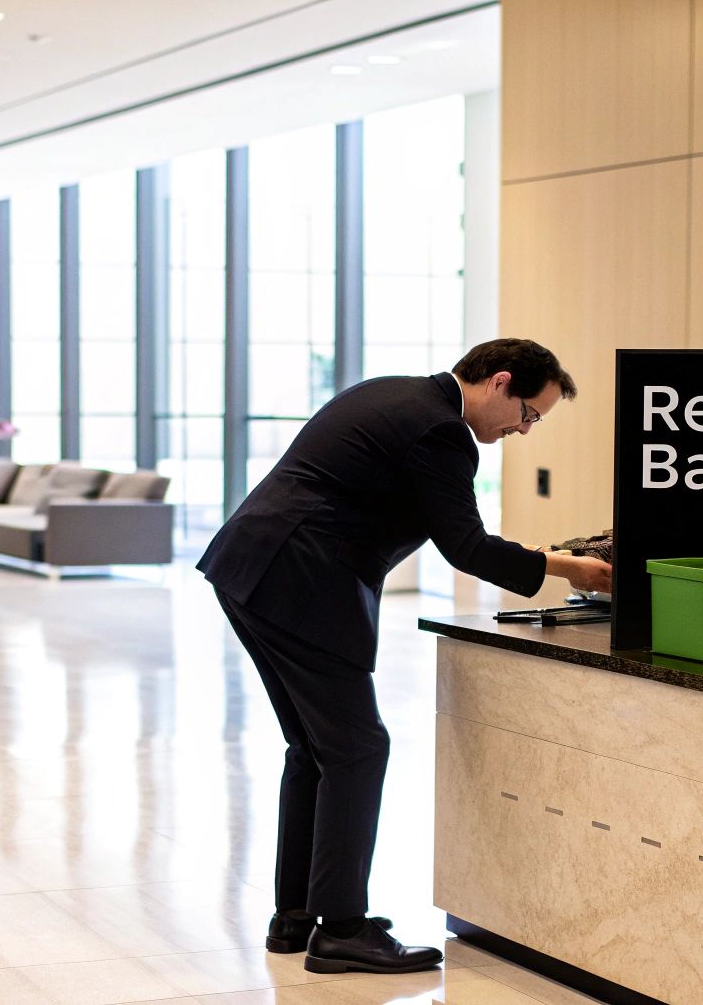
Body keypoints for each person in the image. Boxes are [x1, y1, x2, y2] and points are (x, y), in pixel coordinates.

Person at [198, 338, 613, 974]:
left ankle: (298, 915)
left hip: (254, 567)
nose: (525, 430)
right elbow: (467, 547)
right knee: (358, 747)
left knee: (316, 748)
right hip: (300, 580)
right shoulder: (441, 432)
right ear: (501, 382)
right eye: (529, 414)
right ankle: (340, 928)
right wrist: (570, 568)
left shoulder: (399, 393)